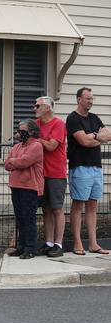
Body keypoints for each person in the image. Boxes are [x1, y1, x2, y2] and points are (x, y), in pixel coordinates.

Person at [66, 87, 111, 255]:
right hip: (80, 167)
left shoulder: (95, 117)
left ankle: (93, 243)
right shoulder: (72, 119)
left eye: (92, 99)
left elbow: (108, 135)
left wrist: (93, 136)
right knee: (78, 205)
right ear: (79, 99)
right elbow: (83, 141)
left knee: (93, 205)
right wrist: (97, 137)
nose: (90, 101)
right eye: (88, 98)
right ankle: (78, 243)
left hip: (96, 167)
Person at [4, 120, 44, 259]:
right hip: (16, 186)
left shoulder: (37, 146)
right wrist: (16, 161)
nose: (19, 134)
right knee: (19, 217)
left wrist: (15, 161)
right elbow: (6, 164)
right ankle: (21, 247)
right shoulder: (17, 146)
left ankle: (30, 248)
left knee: (29, 218)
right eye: (18, 131)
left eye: (22, 131)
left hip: (30, 187)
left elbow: (24, 162)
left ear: (32, 132)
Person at [34, 96, 67, 257]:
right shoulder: (38, 124)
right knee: (46, 209)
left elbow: (52, 146)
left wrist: (37, 139)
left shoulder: (58, 124)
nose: (35, 108)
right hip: (41, 173)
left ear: (47, 108)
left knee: (57, 208)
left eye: (37, 105)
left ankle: (58, 244)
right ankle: (48, 242)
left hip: (55, 173)